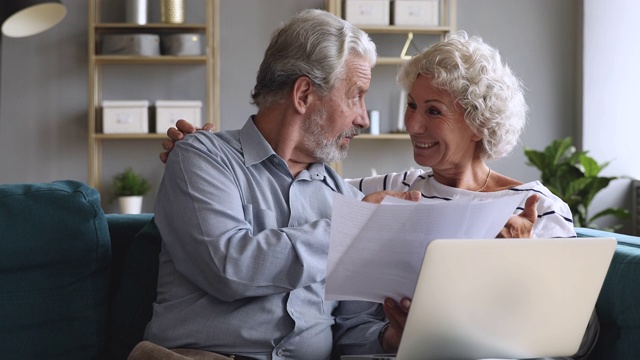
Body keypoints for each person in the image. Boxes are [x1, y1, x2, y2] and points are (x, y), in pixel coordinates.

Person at [160, 29, 598, 359]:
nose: (408, 124)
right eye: (410, 105)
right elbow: (239, 247)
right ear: (304, 94)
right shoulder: (384, 192)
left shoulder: (536, 208)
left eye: (433, 111)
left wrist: (392, 337)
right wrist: (195, 150)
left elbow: (574, 329)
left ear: (478, 123)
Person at [135, 9, 424, 360]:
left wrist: (391, 337)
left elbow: (350, 331)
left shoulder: (347, 200)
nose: (362, 117)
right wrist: (351, 228)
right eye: (355, 95)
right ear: (303, 94)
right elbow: (229, 268)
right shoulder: (203, 158)